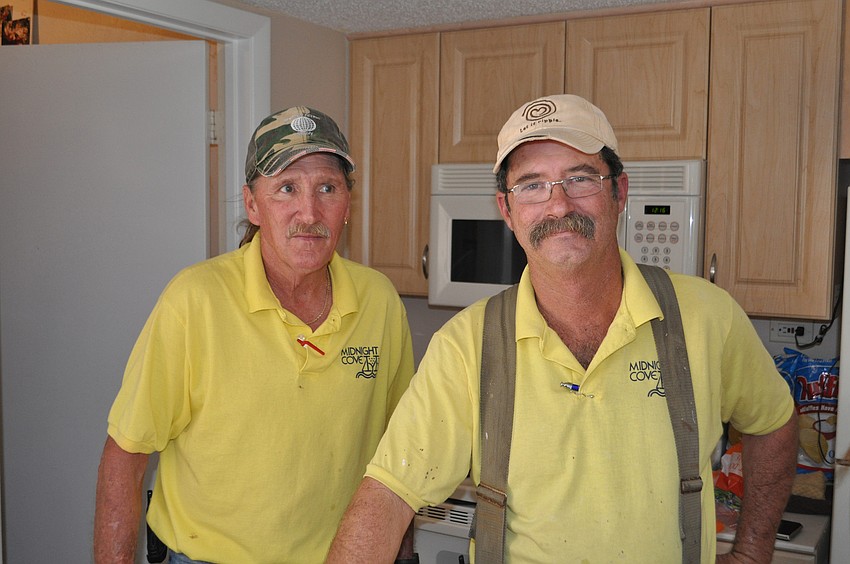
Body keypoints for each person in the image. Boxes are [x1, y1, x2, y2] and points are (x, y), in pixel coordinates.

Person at [326, 94, 798, 563]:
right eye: (531, 185)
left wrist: (754, 552)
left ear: (620, 193)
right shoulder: (467, 346)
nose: (557, 204)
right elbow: (388, 496)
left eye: (580, 177)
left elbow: (772, 422)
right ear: (506, 211)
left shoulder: (706, 316)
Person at [94, 106, 416, 563]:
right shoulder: (196, 299)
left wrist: (401, 554)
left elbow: (398, 450)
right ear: (252, 204)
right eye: (286, 188)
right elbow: (125, 454)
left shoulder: (379, 301)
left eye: (327, 188)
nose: (309, 212)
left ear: (348, 205)